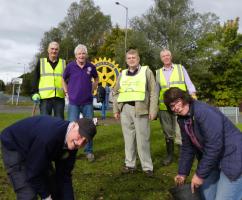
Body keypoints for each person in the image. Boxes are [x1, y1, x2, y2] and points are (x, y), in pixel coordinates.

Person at [163, 87, 242, 200]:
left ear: (185, 99)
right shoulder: (182, 119)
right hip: (213, 161)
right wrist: (182, 173)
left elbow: (214, 146)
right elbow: (187, 147)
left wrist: (200, 175)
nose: (176, 107)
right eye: (172, 105)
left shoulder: (204, 112)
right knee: (206, 195)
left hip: (233, 157)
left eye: (177, 102)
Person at [0, 115, 97, 200]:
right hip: (14, 145)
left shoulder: (73, 145)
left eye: (85, 141)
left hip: (37, 149)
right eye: (80, 135)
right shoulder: (50, 136)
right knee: (28, 194)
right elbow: (33, 172)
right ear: (73, 125)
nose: (80, 143)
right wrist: (46, 196)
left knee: (54, 188)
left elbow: (64, 176)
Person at [113, 49, 158, 177]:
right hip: (125, 110)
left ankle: (147, 167)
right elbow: (115, 91)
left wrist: (153, 110)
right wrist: (116, 109)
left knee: (143, 139)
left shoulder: (146, 71)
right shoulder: (122, 74)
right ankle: (130, 164)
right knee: (128, 139)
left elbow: (154, 92)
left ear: (138, 59)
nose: (131, 60)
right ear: (126, 60)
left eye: (134, 57)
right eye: (129, 58)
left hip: (141, 110)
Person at [156, 49, 196, 166]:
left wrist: (193, 96)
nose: (166, 57)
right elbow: (156, 91)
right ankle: (170, 156)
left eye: (168, 55)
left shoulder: (180, 68)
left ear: (171, 56)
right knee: (168, 132)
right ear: (161, 58)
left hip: (180, 106)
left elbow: (189, 83)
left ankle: (184, 156)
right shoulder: (158, 72)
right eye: (163, 56)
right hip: (165, 107)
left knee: (182, 131)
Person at [62, 44, 99, 162]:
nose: (81, 55)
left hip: (87, 102)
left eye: (83, 53)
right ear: (76, 55)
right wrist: (66, 91)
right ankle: (71, 152)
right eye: (79, 53)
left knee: (88, 128)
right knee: (71, 127)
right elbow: (63, 79)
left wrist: (93, 87)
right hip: (73, 102)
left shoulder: (91, 67)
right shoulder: (70, 66)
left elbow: (96, 78)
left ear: (86, 55)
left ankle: (89, 151)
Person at [32, 41, 66, 119]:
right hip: (45, 98)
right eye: (52, 49)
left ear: (58, 51)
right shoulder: (41, 62)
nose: (54, 51)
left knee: (59, 122)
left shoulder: (64, 63)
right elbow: (35, 78)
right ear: (48, 50)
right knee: (45, 122)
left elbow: (67, 79)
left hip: (59, 97)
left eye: (56, 49)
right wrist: (34, 92)